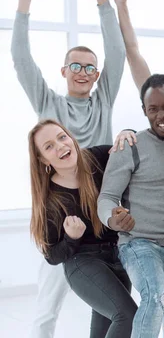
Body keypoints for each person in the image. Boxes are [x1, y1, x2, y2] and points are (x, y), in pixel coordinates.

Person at [12, 0, 126, 338]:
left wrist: (103, 2)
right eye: (75, 66)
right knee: (48, 305)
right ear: (63, 71)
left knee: (109, 309)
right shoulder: (50, 107)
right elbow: (20, 59)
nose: (83, 72)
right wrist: (24, 2)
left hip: (102, 220)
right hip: (66, 217)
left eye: (90, 67)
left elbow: (118, 53)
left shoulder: (103, 100)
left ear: (96, 76)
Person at [98, 74, 164, 337]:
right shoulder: (130, 145)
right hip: (139, 243)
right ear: (144, 111)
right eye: (153, 109)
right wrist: (113, 218)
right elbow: (107, 196)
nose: (161, 115)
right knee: (155, 296)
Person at [28, 119, 137, 337]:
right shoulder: (52, 200)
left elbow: (132, 147)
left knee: (110, 322)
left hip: (118, 256)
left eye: (62, 137)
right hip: (83, 263)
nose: (60, 146)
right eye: (49, 146)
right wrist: (71, 238)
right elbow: (52, 255)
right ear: (42, 159)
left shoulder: (97, 157)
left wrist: (127, 131)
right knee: (127, 315)